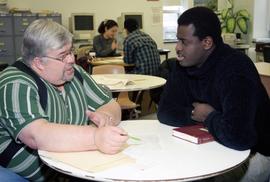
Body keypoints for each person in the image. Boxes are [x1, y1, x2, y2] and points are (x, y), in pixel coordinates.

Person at [0, 19, 128, 181]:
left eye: (70, 51)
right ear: (39, 62)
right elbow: (37, 135)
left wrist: (105, 117)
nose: (71, 59)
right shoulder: (15, 83)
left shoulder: (74, 73)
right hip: (28, 175)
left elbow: (111, 104)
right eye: (63, 56)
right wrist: (95, 137)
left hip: (76, 165)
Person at [157, 7, 270, 182]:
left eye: (184, 42)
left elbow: (240, 137)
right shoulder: (184, 65)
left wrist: (209, 115)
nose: (177, 48)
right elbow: (164, 112)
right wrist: (197, 114)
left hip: (254, 154)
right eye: (177, 40)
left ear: (207, 43)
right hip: (211, 146)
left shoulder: (235, 68)